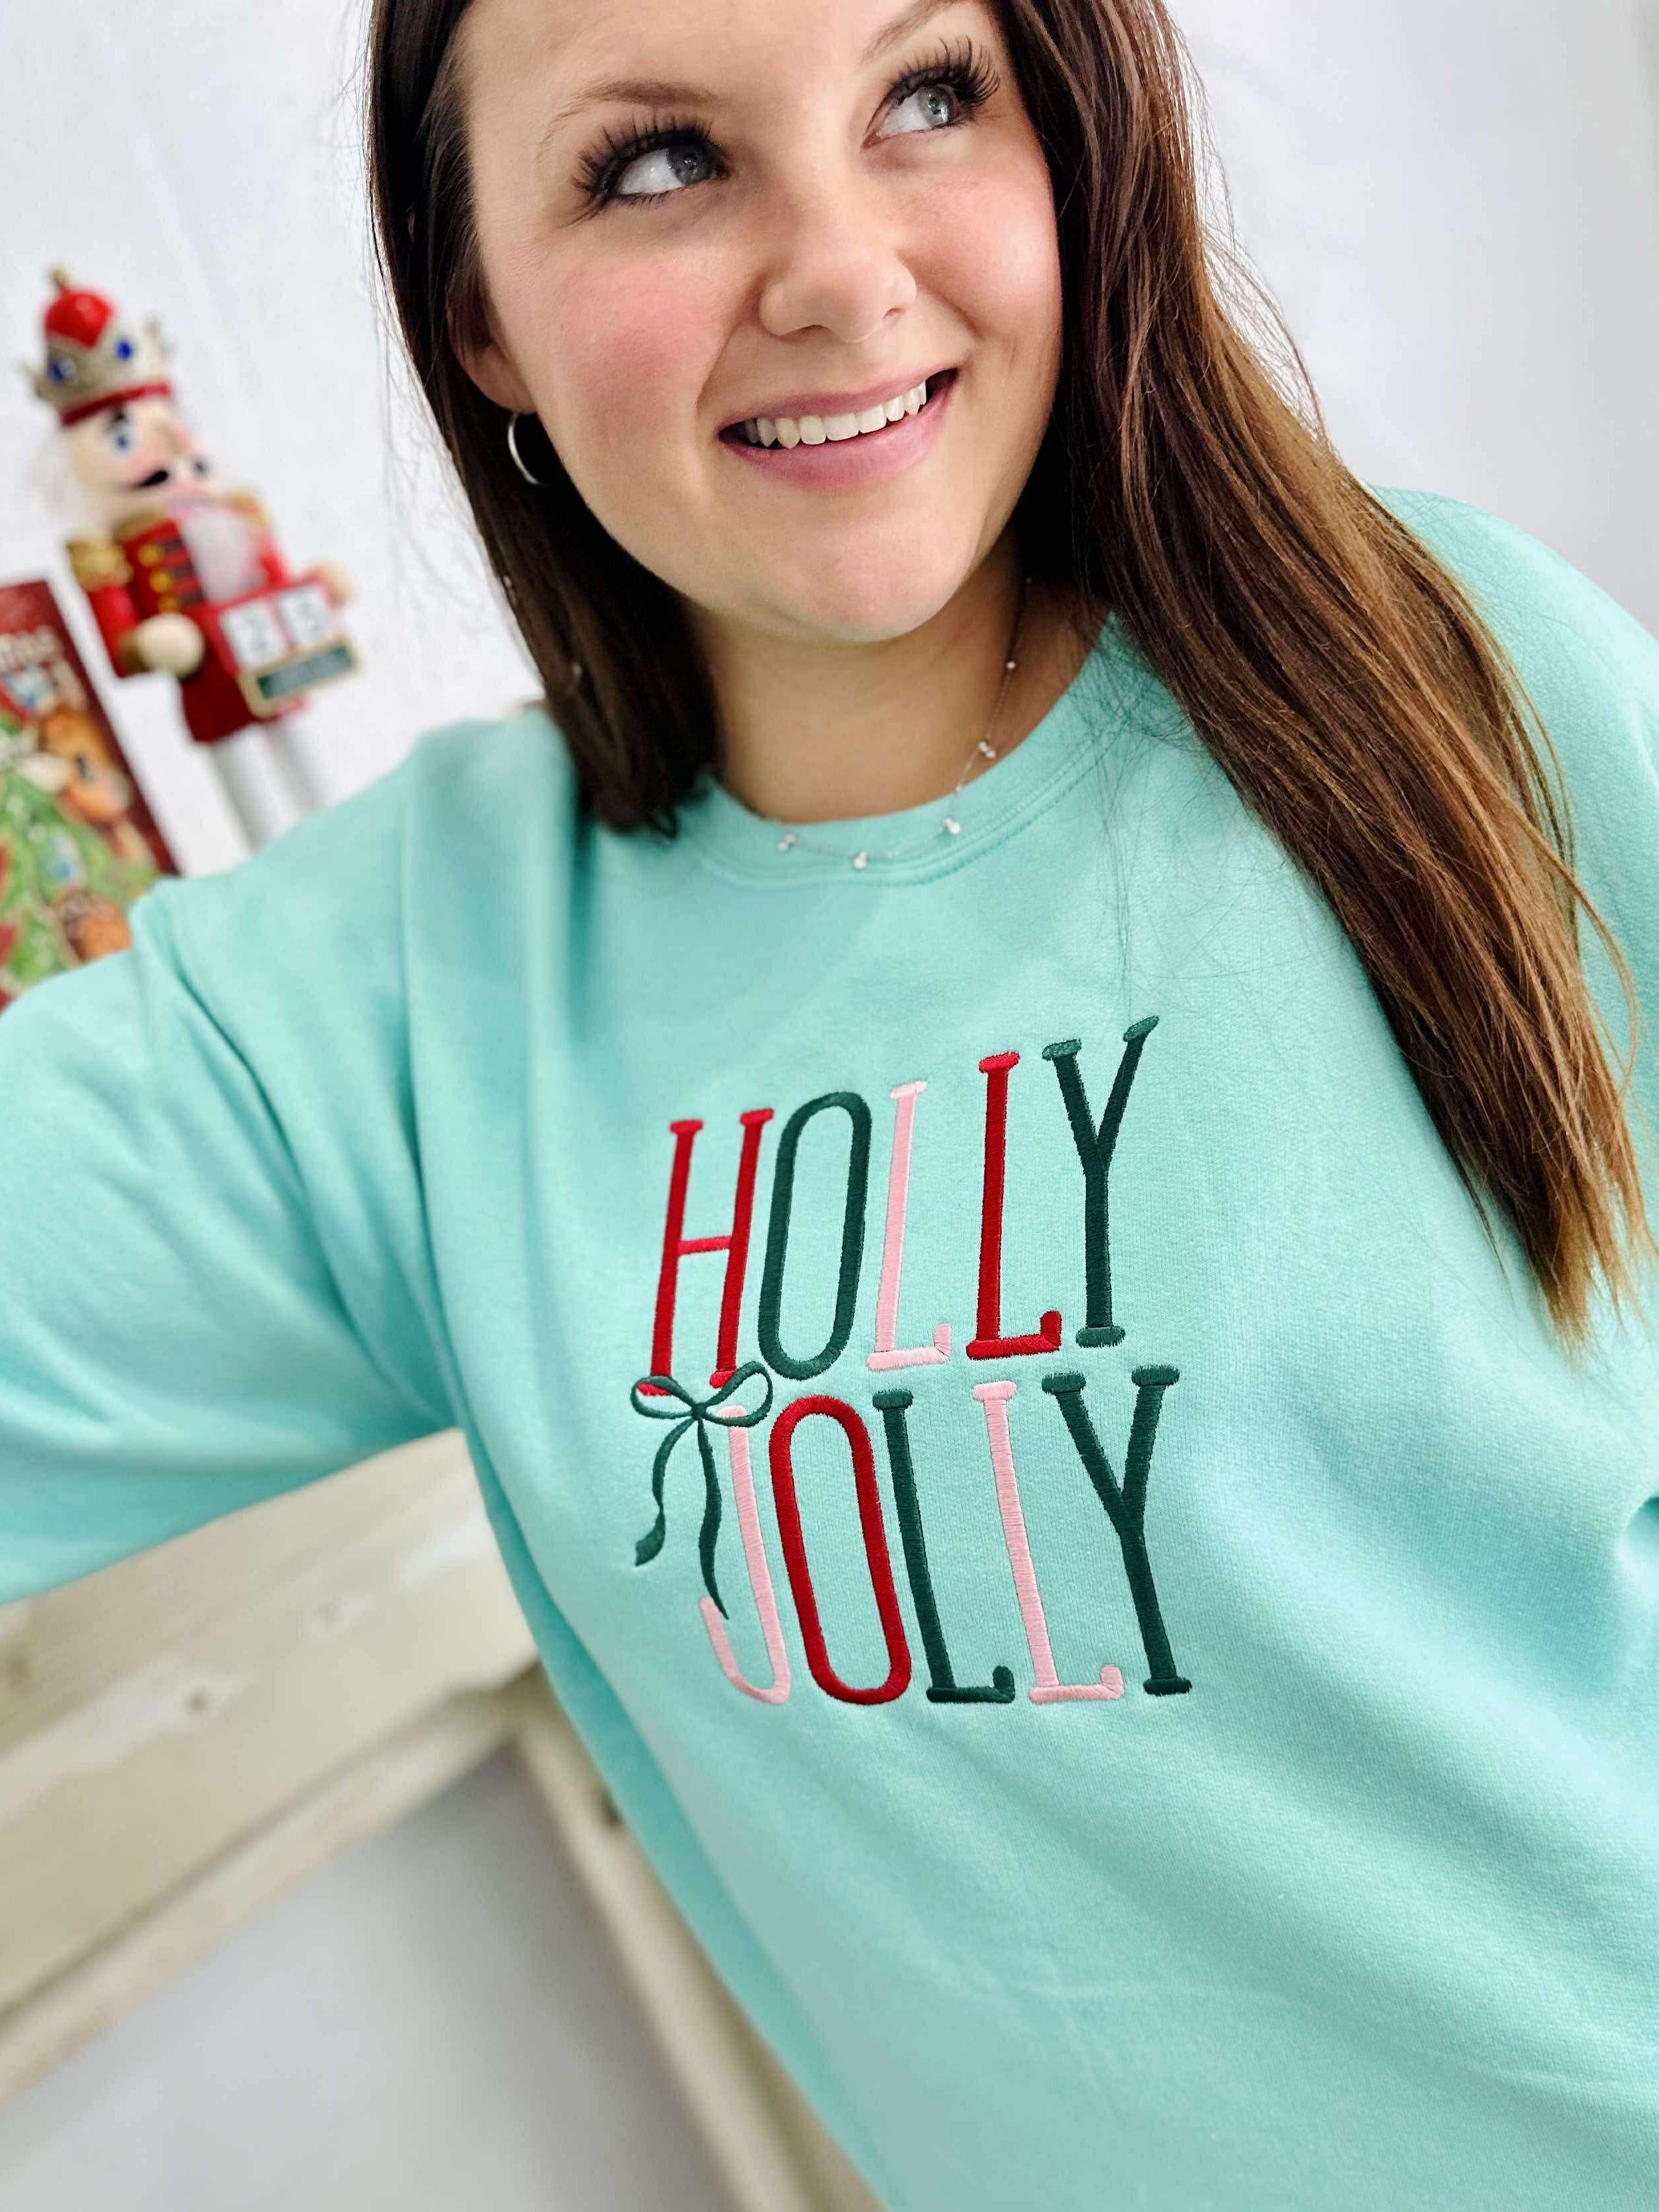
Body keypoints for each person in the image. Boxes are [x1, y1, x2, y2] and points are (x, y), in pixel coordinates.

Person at [4, 0, 1658, 2203]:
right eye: (659, 162)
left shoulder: (1461, 691)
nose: (841, 272)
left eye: (929, 96)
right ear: (480, 309)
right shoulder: (405, 990)